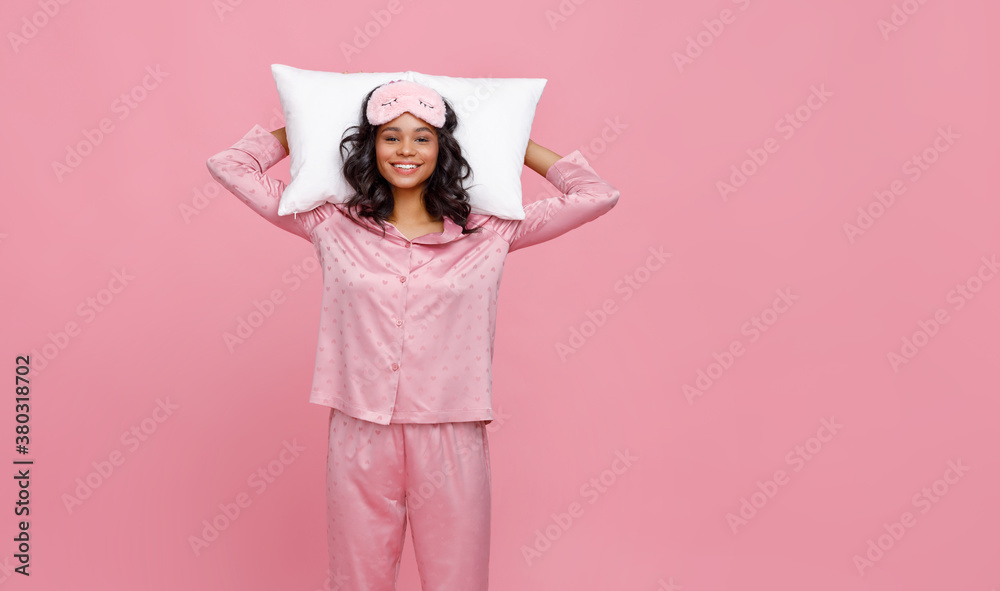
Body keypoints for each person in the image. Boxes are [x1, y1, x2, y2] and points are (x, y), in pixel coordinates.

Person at [206, 79, 620, 591]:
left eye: (423, 137)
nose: (406, 150)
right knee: (357, 580)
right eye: (391, 136)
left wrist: (515, 138)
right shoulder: (329, 224)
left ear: (444, 147)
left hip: (451, 431)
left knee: (458, 581)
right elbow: (231, 164)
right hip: (360, 427)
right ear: (370, 145)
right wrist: (306, 125)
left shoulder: (491, 233)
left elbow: (597, 194)